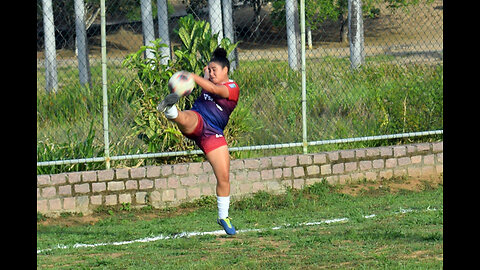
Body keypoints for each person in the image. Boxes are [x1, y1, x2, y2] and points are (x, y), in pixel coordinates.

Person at [157, 47, 239, 235]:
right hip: (199, 119)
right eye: (208, 70)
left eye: (214, 70)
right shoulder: (209, 75)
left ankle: (223, 216)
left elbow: (214, 89)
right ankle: (171, 110)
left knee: (224, 177)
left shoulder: (232, 88)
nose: (210, 73)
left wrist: (192, 76)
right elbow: (208, 74)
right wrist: (205, 69)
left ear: (225, 71)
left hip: (214, 133)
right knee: (186, 118)